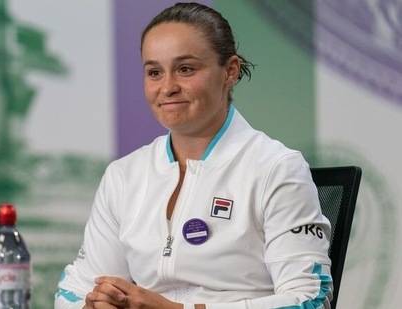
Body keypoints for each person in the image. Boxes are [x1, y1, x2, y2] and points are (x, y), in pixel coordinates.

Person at [55, 2, 332, 309]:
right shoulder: (123, 176)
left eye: (185, 69)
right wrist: (93, 305)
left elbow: (311, 300)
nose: (168, 87)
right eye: (154, 72)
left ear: (230, 72)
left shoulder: (276, 168)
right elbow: (75, 289)